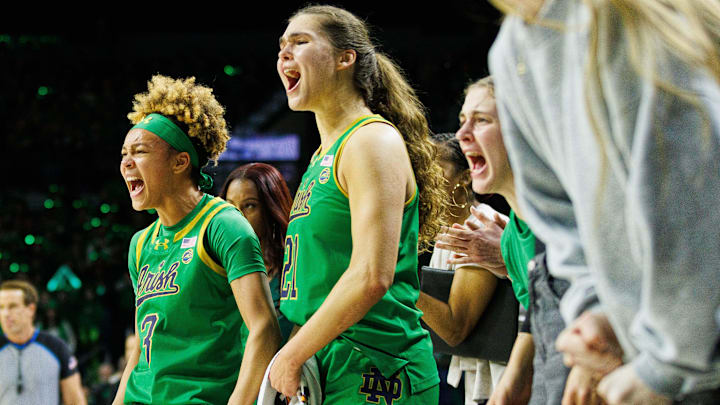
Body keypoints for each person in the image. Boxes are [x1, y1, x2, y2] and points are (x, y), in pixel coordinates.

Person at [488, 0, 720, 403]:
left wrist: (668, 367)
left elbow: (695, 205)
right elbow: (559, 217)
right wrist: (597, 310)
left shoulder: (623, 14)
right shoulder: (511, 51)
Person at [268, 5, 448, 404]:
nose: (284, 54)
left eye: (300, 42)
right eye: (281, 45)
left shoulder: (370, 141)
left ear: (344, 58)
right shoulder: (322, 155)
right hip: (329, 360)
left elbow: (371, 274)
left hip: (378, 368)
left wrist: (291, 355)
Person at [113, 75, 281, 405]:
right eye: (124, 154)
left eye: (140, 151)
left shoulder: (222, 226)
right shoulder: (140, 245)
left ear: (180, 162)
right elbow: (141, 352)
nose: (127, 162)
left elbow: (264, 330)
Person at [439, 77, 602, 405]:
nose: (462, 134)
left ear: (524, 128)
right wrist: (515, 374)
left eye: (482, 120)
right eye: (462, 120)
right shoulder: (512, 231)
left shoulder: (574, 213)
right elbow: (535, 307)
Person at [416, 132, 505, 404]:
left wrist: (397, 281)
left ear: (466, 176)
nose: (425, 173)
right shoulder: (444, 231)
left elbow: (455, 328)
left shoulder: (482, 227)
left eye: (436, 164)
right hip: (475, 374)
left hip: (504, 376)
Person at [220, 162, 295, 343]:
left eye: (250, 206)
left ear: (271, 208)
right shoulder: (215, 267)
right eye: (230, 206)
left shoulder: (294, 267)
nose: (237, 216)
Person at [0, 280, 86, 405]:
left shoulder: (56, 347)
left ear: (31, 309)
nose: (6, 313)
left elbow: (75, 401)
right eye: (1, 307)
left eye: (13, 306)